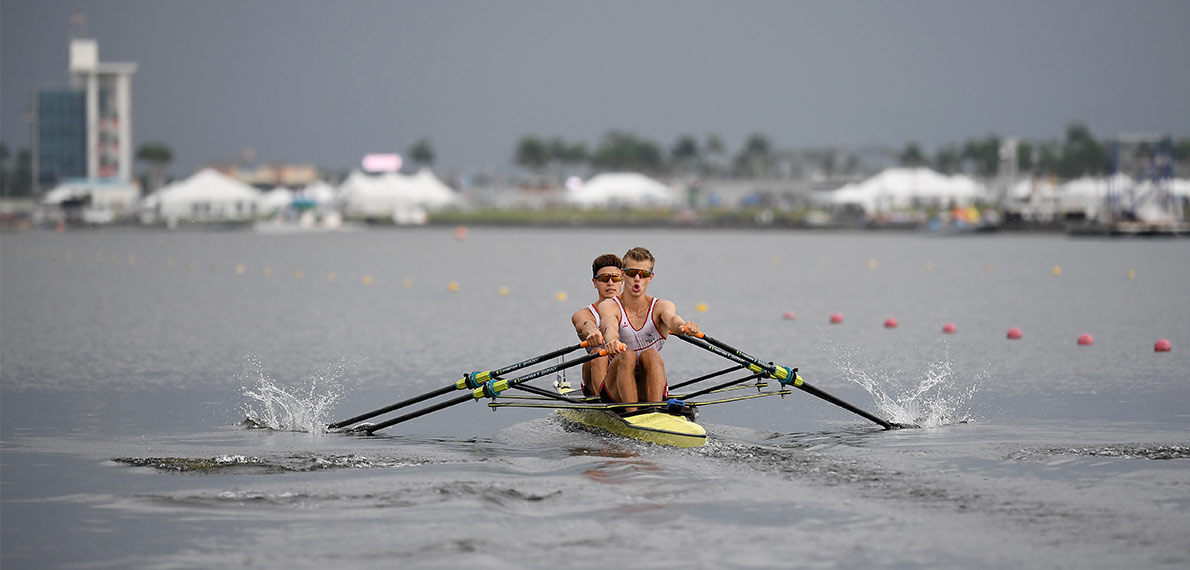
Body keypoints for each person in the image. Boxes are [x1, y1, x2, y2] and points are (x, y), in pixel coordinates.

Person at [597, 247, 699, 413]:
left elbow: (673, 320)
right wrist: (612, 341)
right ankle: (633, 415)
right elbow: (609, 326)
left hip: (649, 383)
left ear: (650, 277)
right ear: (623, 274)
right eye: (632, 273)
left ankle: (655, 413)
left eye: (643, 274)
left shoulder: (662, 306)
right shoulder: (609, 306)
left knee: (650, 355)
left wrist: (684, 327)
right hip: (615, 389)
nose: (637, 278)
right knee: (626, 354)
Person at [570, 253, 624, 396]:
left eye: (616, 278)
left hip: (625, 374)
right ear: (595, 282)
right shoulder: (584, 313)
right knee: (597, 353)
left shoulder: (635, 312)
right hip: (594, 377)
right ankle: (604, 401)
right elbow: (585, 324)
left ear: (622, 281)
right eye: (604, 278)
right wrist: (592, 331)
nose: (610, 283)